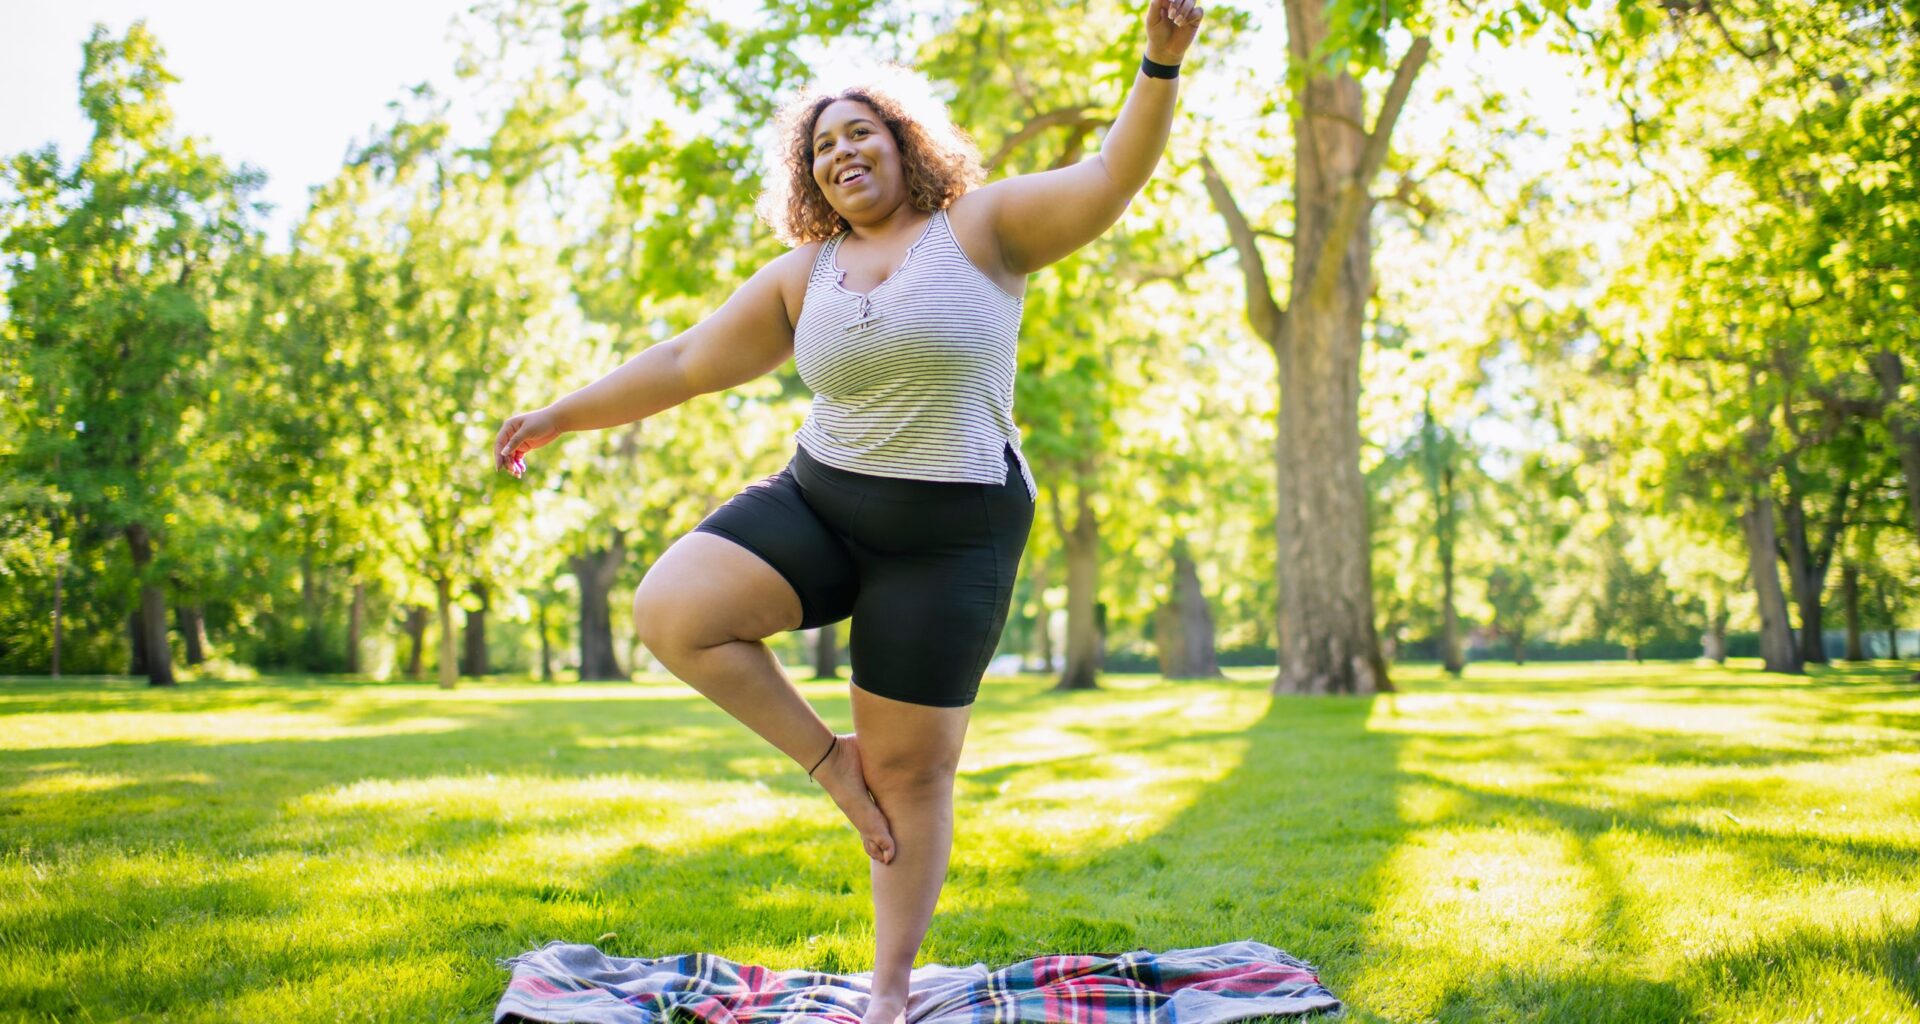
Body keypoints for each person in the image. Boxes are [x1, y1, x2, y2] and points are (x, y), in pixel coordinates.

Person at [492, 2, 1201, 1019]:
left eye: (860, 132)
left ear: (906, 144)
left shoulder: (982, 230)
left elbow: (1108, 178)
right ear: (809, 177)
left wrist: (1158, 64)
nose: (841, 153)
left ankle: (890, 993)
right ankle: (832, 765)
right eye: (822, 146)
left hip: (952, 535)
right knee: (673, 608)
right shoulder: (803, 276)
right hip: (821, 503)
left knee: (914, 775)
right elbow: (686, 362)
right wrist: (561, 414)